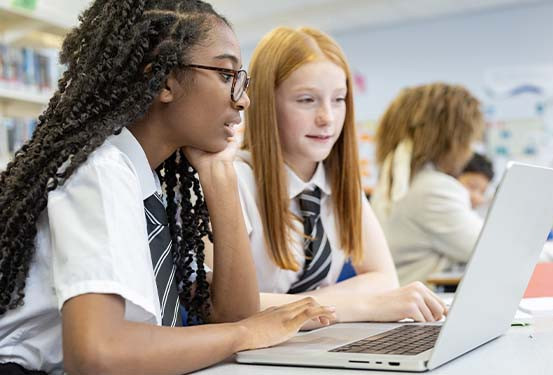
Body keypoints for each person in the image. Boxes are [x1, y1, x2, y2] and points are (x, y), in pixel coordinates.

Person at [0, 2, 334, 374]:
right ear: (163, 81)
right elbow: (96, 354)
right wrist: (244, 333)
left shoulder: (147, 181)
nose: (243, 99)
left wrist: (219, 176)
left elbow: (232, 313)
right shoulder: (100, 169)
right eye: (226, 75)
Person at [231, 26, 447, 327]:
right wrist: (362, 306)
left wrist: (308, 308)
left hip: (315, 342)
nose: (327, 118)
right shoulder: (233, 182)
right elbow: (234, 309)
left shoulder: (337, 182)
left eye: (339, 99)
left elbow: (384, 279)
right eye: (306, 100)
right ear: (267, 104)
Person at [370, 83, 485, 286]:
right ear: (452, 138)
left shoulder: (394, 181)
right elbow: (491, 249)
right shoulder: (432, 189)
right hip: (428, 305)